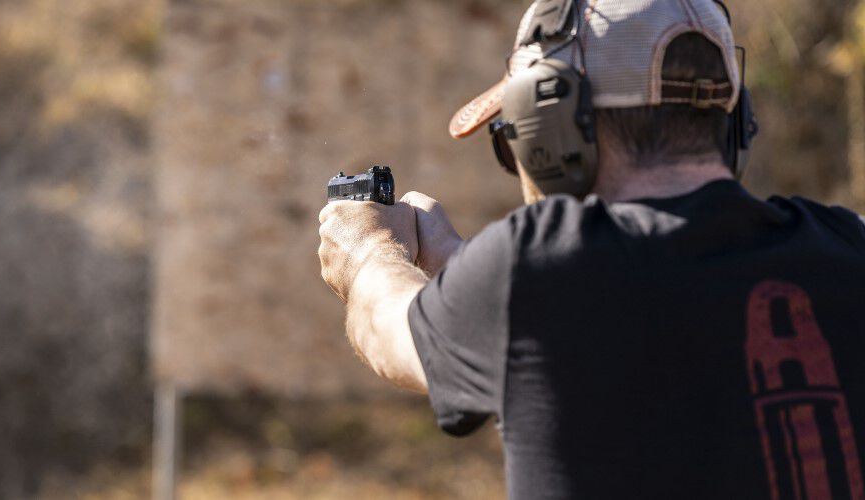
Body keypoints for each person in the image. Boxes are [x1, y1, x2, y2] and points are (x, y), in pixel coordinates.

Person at [316, 0, 865, 498]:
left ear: (548, 134)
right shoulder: (848, 250)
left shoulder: (531, 276)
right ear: (736, 123)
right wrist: (462, 272)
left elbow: (392, 330)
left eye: (512, 138)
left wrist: (368, 247)